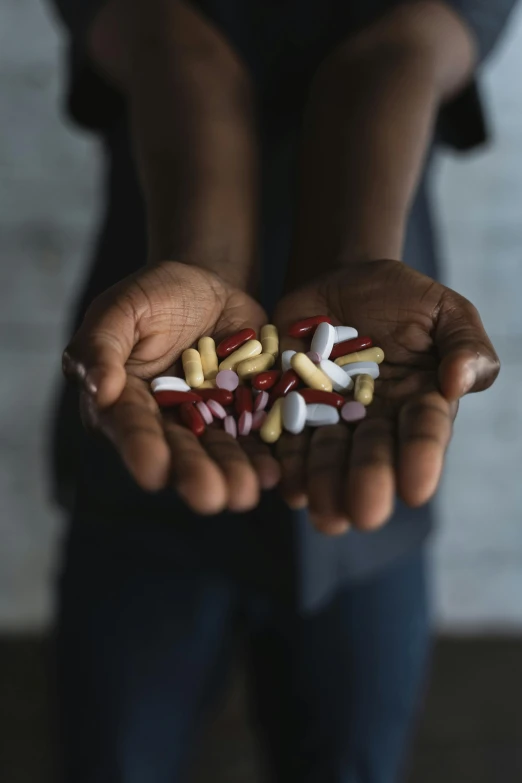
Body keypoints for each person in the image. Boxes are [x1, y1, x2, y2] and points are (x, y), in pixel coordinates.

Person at [50, 1, 515, 780]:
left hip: (371, 483)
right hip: (142, 447)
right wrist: (207, 261)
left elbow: (404, 48)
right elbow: (166, 40)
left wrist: (357, 258)